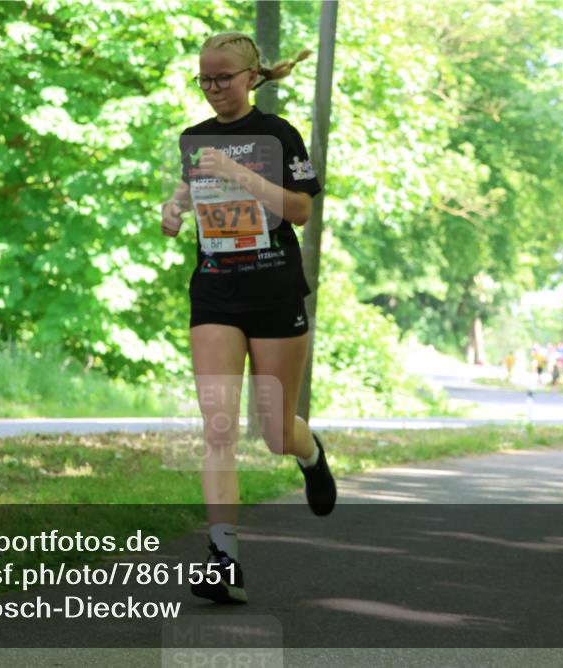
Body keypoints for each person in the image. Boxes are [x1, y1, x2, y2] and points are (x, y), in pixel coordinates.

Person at [160, 32, 333, 604]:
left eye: (223, 78)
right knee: (218, 428)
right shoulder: (195, 139)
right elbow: (191, 192)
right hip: (215, 291)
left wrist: (241, 176)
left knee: (276, 433)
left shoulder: (277, 134)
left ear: (252, 77)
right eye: (204, 79)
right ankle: (221, 557)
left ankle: (310, 454)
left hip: (275, 289)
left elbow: (302, 210)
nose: (213, 89)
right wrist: (174, 208)